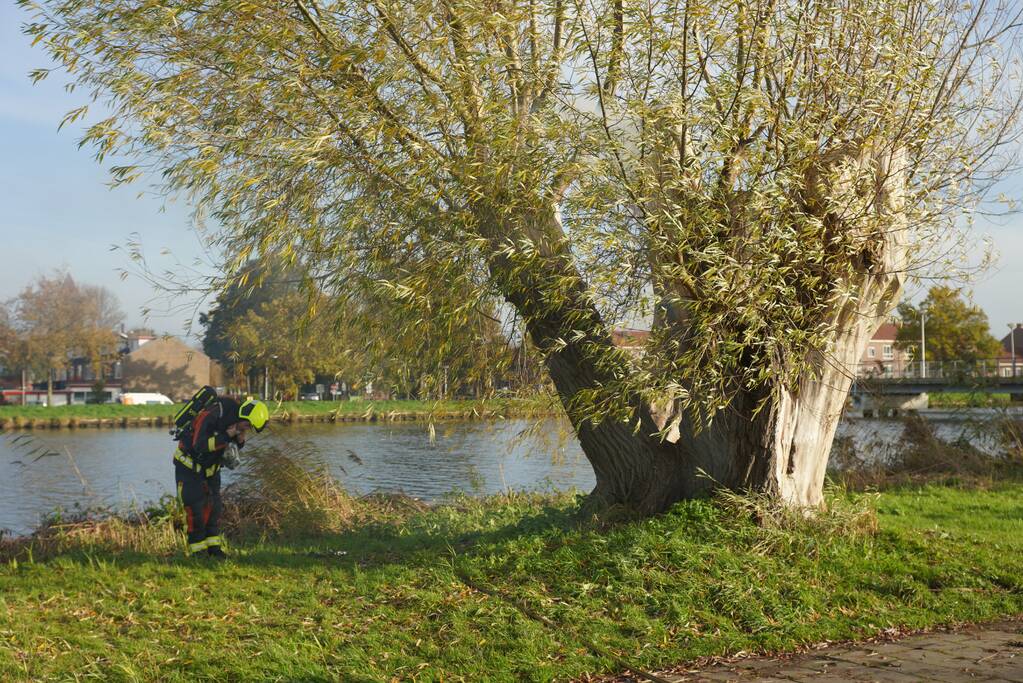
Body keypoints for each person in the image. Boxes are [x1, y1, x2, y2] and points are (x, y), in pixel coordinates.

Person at [173, 396, 268, 558]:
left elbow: (228, 450)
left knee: (214, 509)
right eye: (247, 425)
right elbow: (200, 445)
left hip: (212, 470)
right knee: (195, 510)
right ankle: (198, 552)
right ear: (242, 417)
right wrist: (226, 435)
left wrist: (239, 442)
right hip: (189, 468)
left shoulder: (235, 423)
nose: (247, 429)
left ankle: (214, 549)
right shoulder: (213, 414)